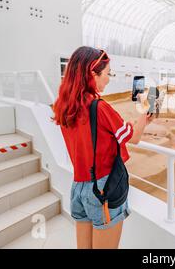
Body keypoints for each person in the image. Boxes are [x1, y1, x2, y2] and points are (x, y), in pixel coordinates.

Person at [52, 46, 153, 249]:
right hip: (102, 190)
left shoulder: (63, 106)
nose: (108, 79)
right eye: (107, 74)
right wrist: (145, 114)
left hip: (79, 187)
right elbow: (133, 137)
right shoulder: (99, 108)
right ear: (92, 73)